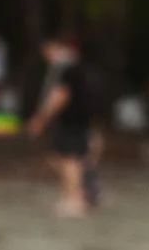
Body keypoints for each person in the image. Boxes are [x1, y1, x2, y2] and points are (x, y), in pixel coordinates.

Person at [26, 33, 100, 217]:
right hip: (79, 119)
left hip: (71, 119)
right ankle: (77, 194)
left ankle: (75, 199)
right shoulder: (79, 67)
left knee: (70, 159)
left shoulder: (67, 69)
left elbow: (59, 96)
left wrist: (41, 119)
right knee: (67, 158)